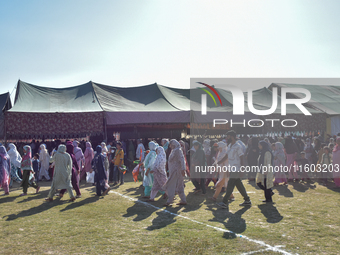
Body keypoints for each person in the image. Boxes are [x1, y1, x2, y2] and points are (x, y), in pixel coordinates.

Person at [217, 130, 251, 210]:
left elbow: (241, 157)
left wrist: (242, 169)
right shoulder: (229, 146)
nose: (226, 138)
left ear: (231, 137)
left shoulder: (238, 146)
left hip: (237, 169)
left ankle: (224, 202)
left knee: (230, 184)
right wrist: (219, 162)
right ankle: (247, 200)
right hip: (232, 169)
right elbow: (227, 156)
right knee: (239, 185)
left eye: (227, 136)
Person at [163, 139, 187, 206]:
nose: (170, 146)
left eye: (170, 144)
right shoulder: (174, 150)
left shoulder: (178, 150)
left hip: (177, 171)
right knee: (179, 185)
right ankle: (183, 200)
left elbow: (182, 160)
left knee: (170, 185)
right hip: (174, 171)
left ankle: (169, 200)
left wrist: (183, 169)